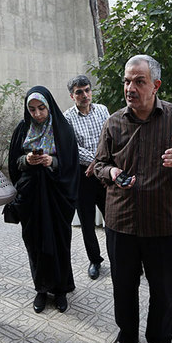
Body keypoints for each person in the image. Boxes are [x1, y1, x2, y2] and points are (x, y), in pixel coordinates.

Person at [94, 55, 172, 343]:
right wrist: (111, 171)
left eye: (139, 81)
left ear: (156, 85)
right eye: (127, 81)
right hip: (122, 221)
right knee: (123, 285)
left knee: (163, 289)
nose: (130, 88)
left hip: (164, 223)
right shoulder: (114, 122)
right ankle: (126, 336)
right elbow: (99, 163)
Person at [6, 86, 79, 313]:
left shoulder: (62, 129)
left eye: (41, 108)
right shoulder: (23, 128)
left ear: (49, 106)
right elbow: (14, 162)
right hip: (31, 197)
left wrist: (52, 162)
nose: (37, 114)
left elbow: (71, 164)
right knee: (35, 242)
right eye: (32, 109)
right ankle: (41, 288)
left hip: (57, 197)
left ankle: (61, 290)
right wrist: (27, 160)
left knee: (59, 241)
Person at [63, 74, 110, 280]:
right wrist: (96, 161)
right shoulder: (67, 118)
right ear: (72, 96)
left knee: (113, 219)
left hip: (104, 174)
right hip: (83, 177)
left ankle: (118, 257)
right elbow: (72, 148)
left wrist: (99, 163)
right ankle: (95, 260)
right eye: (79, 92)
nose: (84, 95)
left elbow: (109, 138)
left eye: (87, 90)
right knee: (87, 223)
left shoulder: (102, 110)